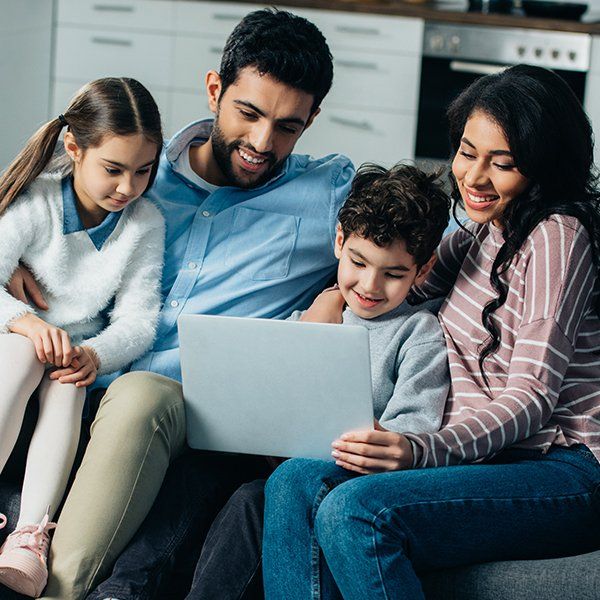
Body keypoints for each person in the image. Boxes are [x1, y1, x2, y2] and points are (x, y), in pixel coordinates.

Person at [4, 9, 354, 600]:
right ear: (215, 88)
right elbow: (33, 200)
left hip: (184, 420)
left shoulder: (325, 197)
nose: (263, 143)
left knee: (142, 398)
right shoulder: (136, 174)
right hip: (71, 391)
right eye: (249, 113)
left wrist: (341, 293)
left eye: (289, 127)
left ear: (312, 119)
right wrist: (18, 264)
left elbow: (421, 238)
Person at [262, 64, 600, 599]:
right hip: (490, 461)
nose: (474, 177)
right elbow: (393, 287)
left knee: (357, 512)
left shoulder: (556, 237)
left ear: (543, 166)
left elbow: (532, 397)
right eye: (467, 152)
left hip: (561, 469)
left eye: (503, 163)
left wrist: (420, 450)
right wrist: (328, 303)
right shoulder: (477, 231)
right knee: (293, 482)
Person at [165, 161, 454, 600]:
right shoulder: (311, 315)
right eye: (358, 262)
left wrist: (381, 438)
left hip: (351, 481)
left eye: (393, 274)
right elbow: (258, 388)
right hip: (278, 465)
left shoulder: (418, 333)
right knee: (207, 476)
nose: (370, 285)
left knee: (252, 501)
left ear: (422, 269)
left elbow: (413, 431)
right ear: (339, 241)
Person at [0, 78, 164, 598]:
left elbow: (139, 320)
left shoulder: (144, 224)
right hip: (15, 338)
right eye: (113, 170)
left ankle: (30, 536)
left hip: (75, 352)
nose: (128, 187)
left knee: (69, 382)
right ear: (74, 149)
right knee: (27, 354)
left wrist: (95, 354)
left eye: (143, 171)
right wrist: (24, 320)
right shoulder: (37, 199)